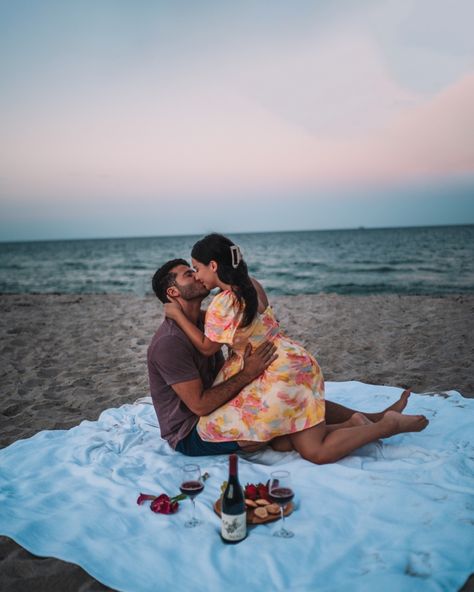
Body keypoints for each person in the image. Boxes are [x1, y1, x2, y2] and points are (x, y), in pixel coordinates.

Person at [164, 234, 429, 464]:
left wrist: (177, 316)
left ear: (213, 265)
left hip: (275, 371)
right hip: (291, 357)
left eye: (197, 268)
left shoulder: (222, 303)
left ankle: (386, 426)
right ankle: (356, 422)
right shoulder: (251, 285)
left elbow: (207, 347)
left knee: (315, 452)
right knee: (281, 440)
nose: (197, 275)